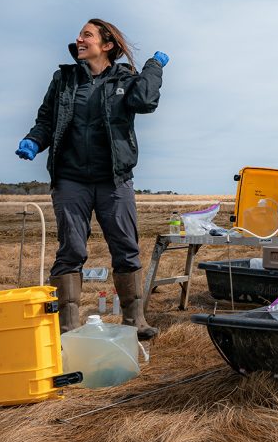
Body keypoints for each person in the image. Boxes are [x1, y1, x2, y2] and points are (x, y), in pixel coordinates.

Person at [16, 19, 168, 340]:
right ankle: (68, 328)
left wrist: (153, 67)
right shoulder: (65, 79)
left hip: (114, 179)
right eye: (80, 35)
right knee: (71, 249)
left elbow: (145, 102)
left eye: (87, 35)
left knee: (126, 248)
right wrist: (33, 140)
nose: (79, 39)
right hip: (71, 178)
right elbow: (46, 120)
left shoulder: (125, 78)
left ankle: (134, 323)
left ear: (107, 45)